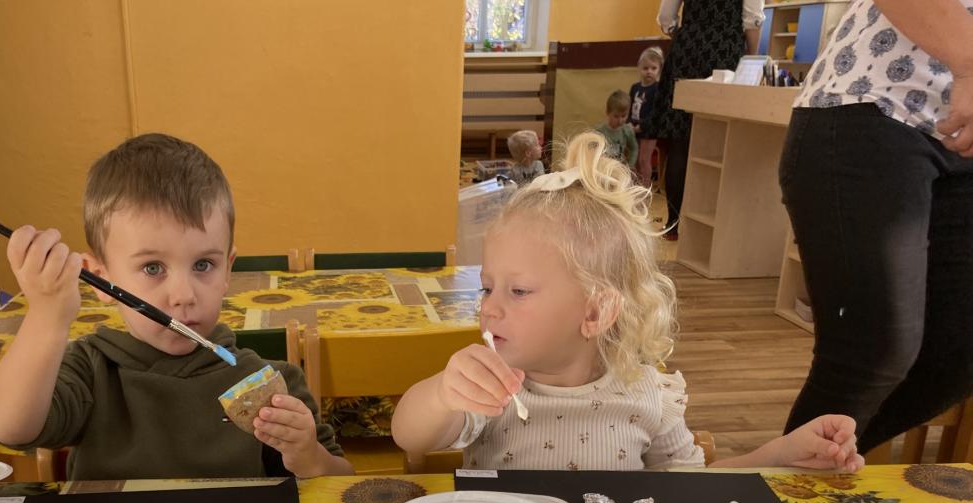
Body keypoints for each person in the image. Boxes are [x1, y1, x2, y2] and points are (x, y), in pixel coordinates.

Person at [391, 132, 863, 474]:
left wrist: (780, 454)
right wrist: (442, 394)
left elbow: (692, 485)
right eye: (487, 288)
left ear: (595, 312)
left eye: (518, 291)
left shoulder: (646, 395)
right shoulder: (490, 386)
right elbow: (409, 436)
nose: (490, 308)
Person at [0, 133, 353, 480]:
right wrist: (47, 315)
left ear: (228, 270)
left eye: (203, 265)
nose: (183, 295)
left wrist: (309, 457)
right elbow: (13, 429)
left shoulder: (271, 382)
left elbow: (341, 481)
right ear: (101, 279)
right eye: (152, 268)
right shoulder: (89, 371)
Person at [778, 0, 973, 453]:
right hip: (874, 102)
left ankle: (809, 472)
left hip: (961, 143)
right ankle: (786, 484)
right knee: (874, 352)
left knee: (958, 354)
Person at [648, 0, 764, 236]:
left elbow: (666, 17)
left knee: (680, 143)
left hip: (687, 49)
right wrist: (751, 57)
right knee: (719, 142)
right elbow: (752, 20)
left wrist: (688, 34)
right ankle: (709, 226)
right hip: (725, 50)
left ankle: (673, 224)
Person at [629, 47, 665, 186]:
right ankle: (636, 187)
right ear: (639, 68)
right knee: (634, 160)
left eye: (653, 68)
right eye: (645, 68)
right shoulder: (635, 88)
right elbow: (629, 107)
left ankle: (645, 189)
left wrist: (642, 126)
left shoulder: (657, 89)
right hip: (634, 128)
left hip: (649, 129)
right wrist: (628, 124)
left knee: (644, 160)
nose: (649, 71)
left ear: (659, 70)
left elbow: (657, 112)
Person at [595, 91, 638, 169]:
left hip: (619, 169)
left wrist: (630, 165)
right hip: (602, 168)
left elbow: (634, 148)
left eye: (624, 116)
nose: (620, 120)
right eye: (616, 116)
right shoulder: (599, 131)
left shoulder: (627, 130)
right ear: (607, 113)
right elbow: (590, 150)